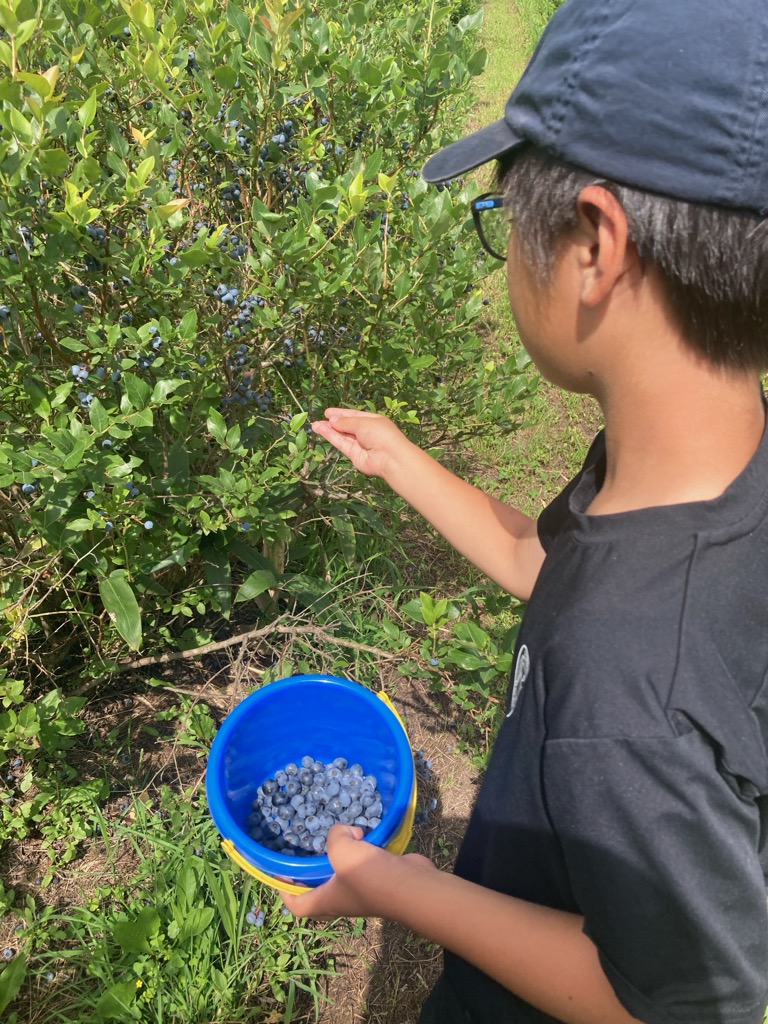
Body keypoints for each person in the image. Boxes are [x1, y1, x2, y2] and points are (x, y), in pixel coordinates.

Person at [279, 0, 768, 1021]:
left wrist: (397, 887)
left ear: (595, 242)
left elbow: (662, 1003)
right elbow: (551, 567)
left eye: (503, 218)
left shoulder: (629, 683)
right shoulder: (692, 476)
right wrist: (403, 462)